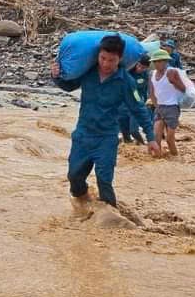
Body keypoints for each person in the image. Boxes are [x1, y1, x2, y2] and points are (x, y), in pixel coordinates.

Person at [52, 34, 160, 209]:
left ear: (120, 59)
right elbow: (69, 86)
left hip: (106, 139)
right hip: (83, 136)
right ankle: (85, 206)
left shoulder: (126, 81)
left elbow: (138, 109)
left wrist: (151, 138)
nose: (106, 64)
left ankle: (111, 222)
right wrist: (56, 76)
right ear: (98, 56)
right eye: (103, 58)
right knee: (74, 177)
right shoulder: (88, 73)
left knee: (104, 180)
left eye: (112, 60)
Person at [149, 49, 188, 157]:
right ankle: (158, 162)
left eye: (160, 61)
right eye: (155, 61)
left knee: (169, 139)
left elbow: (184, 89)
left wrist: (174, 81)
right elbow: (152, 93)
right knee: (156, 138)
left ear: (166, 61)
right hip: (159, 108)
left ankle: (176, 160)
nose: (157, 64)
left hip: (172, 108)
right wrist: (157, 106)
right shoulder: (152, 74)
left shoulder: (172, 72)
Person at [119, 54, 151, 145]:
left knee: (134, 130)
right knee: (125, 133)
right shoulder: (127, 72)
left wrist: (144, 102)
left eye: (144, 67)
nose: (140, 69)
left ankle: (143, 146)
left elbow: (144, 91)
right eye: (139, 66)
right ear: (136, 63)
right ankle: (130, 148)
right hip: (123, 105)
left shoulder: (145, 76)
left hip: (136, 105)